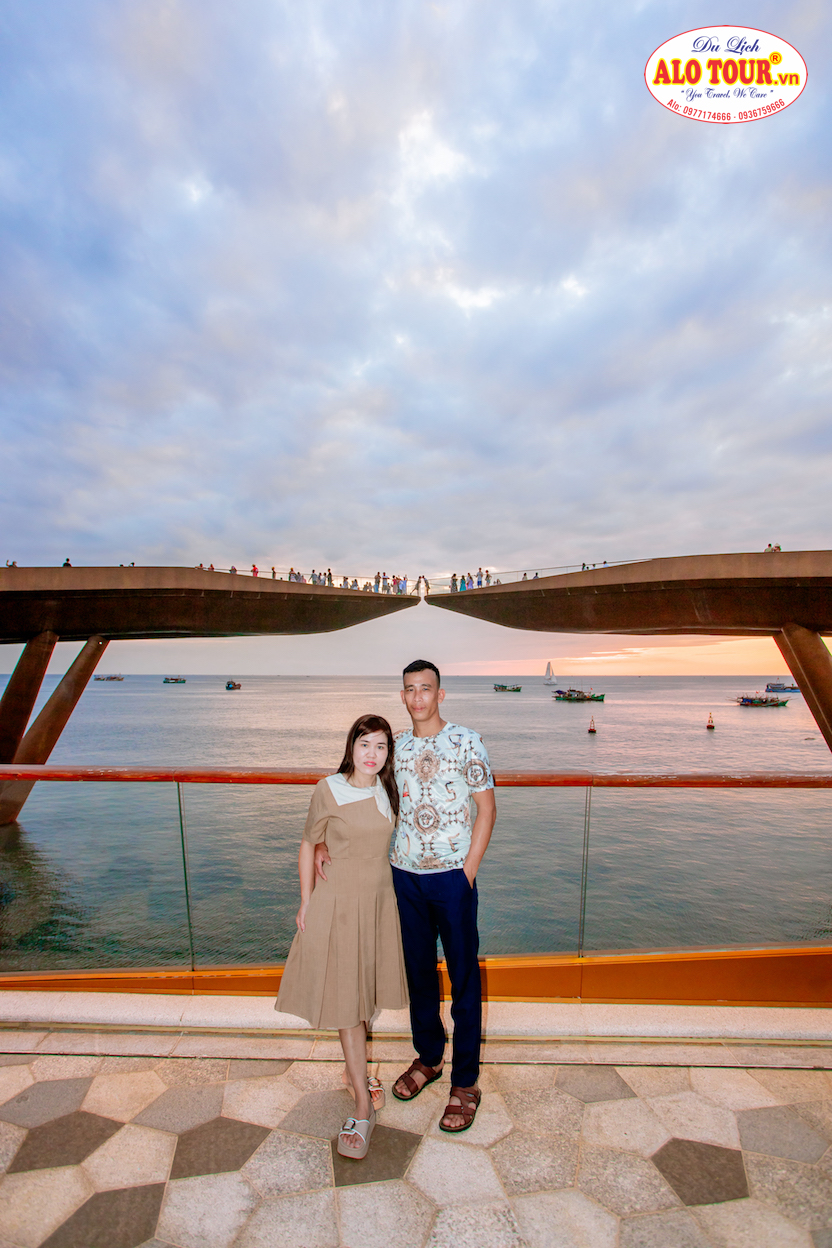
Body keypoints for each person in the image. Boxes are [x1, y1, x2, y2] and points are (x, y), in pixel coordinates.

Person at [316, 661, 496, 1133]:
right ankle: (429, 1057)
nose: (418, 697)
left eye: (426, 689)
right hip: (404, 878)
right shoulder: (395, 748)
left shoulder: (466, 741)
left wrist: (468, 872)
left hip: (452, 879)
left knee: (463, 978)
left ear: (440, 694)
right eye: (410, 690)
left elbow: (487, 808)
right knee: (418, 975)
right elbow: (355, 791)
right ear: (402, 696)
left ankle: (465, 1082)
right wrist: (319, 842)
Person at [277, 714, 408, 1160]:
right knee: (347, 1002)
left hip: (378, 901)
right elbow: (307, 842)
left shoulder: (387, 789)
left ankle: (356, 1074)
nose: (372, 754)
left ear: (389, 753)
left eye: (381, 746)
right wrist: (306, 900)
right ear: (351, 747)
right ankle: (361, 1106)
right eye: (365, 744)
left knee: (364, 996)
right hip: (339, 902)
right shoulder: (328, 788)